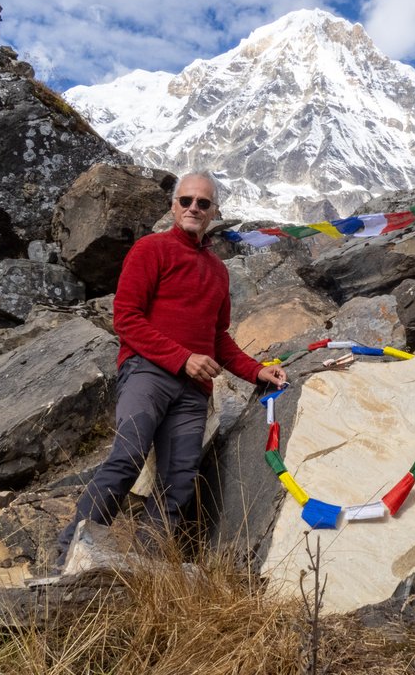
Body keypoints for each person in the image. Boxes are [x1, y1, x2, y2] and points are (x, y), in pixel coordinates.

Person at [56, 172, 286, 565]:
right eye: (186, 200)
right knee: (127, 456)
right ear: (173, 205)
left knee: (178, 484)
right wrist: (183, 358)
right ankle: (69, 556)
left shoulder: (217, 270)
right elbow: (126, 318)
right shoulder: (151, 249)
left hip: (193, 392)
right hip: (148, 373)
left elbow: (217, 339)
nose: (193, 208)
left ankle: (143, 571)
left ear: (214, 212)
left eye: (203, 202)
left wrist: (256, 371)